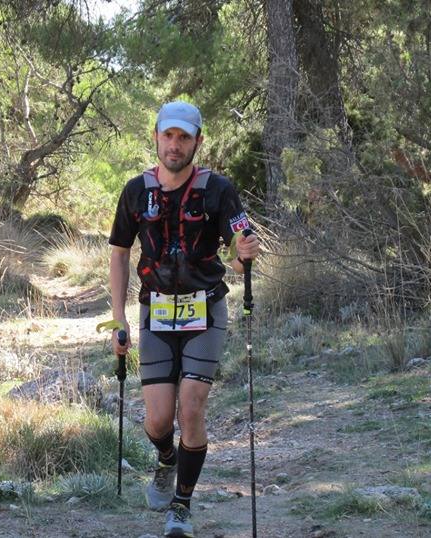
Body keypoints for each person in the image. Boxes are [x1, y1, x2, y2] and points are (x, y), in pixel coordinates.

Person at [108, 101, 261, 538]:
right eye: (168, 135)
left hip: (205, 308)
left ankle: (182, 505)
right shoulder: (136, 191)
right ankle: (166, 460)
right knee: (157, 421)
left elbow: (240, 246)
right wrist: (118, 320)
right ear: (156, 137)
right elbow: (120, 254)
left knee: (191, 408)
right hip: (155, 312)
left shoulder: (218, 189)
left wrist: (245, 251)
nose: (175, 145)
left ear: (198, 141)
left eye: (184, 137)